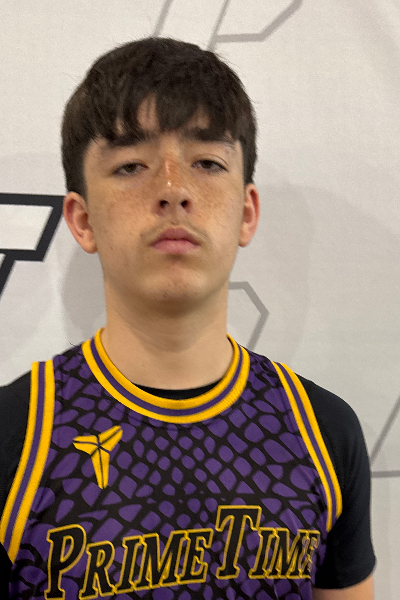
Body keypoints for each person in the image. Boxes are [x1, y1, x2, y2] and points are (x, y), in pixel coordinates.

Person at [0, 37, 375, 599]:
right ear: (81, 220)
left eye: (207, 163)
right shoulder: (15, 435)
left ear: (246, 212)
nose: (173, 190)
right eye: (131, 165)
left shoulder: (323, 432)